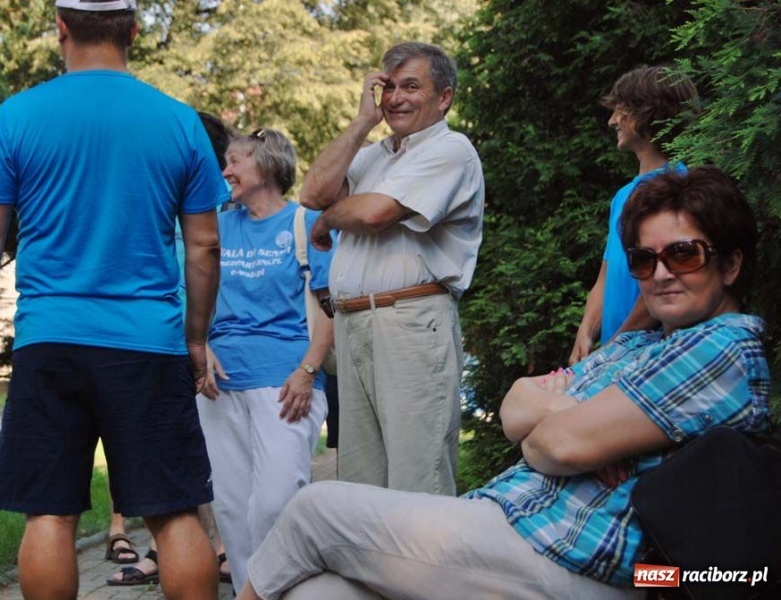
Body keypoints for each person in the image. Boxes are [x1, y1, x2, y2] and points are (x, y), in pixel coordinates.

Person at [235, 166, 771, 600]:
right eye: (643, 259)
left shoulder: (726, 343)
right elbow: (517, 406)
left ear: (729, 265)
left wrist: (562, 422)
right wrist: (575, 426)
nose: (660, 273)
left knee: (316, 511)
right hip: (513, 527)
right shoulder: (640, 344)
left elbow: (551, 444)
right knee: (323, 593)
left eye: (683, 253)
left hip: (575, 559)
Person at [0, 1, 228, 599]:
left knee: (50, 513)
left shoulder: (17, 116)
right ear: (133, 31)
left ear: (60, 27)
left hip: (49, 337)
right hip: (147, 341)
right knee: (175, 510)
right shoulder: (179, 121)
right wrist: (196, 338)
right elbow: (205, 244)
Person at [300, 41, 485, 496]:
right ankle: (373, 570)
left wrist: (328, 218)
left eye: (411, 86)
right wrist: (363, 121)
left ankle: (426, 569)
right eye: (389, 87)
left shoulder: (451, 149)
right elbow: (312, 191)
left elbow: (373, 213)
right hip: (354, 324)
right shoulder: (374, 153)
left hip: (411, 323)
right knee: (362, 486)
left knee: (417, 479)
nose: (396, 98)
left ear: (444, 97)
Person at [195, 128, 334, 592]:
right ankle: (246, 592)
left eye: (235, 161)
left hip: (286, 383)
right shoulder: (214, 223)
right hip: (218, 384)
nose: (226, 171)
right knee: (231, 507)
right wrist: (200, 343)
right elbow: (189, 291)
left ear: (267, 166)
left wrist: (308, 371)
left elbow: (332, 305)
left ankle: (279, 590)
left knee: (274, 502)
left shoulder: (306, 222)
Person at [107, 110, 232, 586]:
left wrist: (203, 339)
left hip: (195, 343)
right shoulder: (152, 197)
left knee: (186, 469)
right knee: (163, 469)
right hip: (155, 341)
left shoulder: (216, 207)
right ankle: (166, 550)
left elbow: (214, 268)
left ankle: (215, 547)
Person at [570, 65, 699, 364]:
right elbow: (606, 275)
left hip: (650, 355)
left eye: (620, 111)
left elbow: (663, 278)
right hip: (616, 356)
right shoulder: (622, 196)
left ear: (646, 113)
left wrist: (614, 348)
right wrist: (586, 332)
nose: (612, 120)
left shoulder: (679, 187)